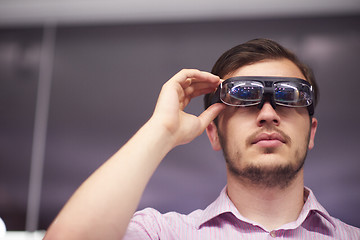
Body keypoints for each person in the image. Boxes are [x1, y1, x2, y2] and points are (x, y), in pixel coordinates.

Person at [44, 39, 360, 239]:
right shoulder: (162, 234)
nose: (267, 114)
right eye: (244, 97)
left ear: (311, 133)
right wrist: (161, 131)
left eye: (288, 96)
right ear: (214, 133)